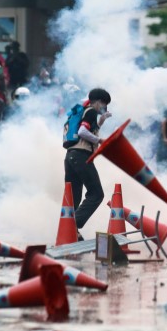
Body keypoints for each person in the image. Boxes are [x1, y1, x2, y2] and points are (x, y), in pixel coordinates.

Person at [64, 88, 112, 238]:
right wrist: (100, 140)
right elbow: (82, 132)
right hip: (81, 156)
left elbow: (87, 130)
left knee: (74, 197)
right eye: (104, 104)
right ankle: (71, 225)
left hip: (70, 156)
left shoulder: (84, 111)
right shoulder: (91, 111)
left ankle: (71, 234)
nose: (104, 107)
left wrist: (101, 122)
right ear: (98, 101)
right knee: (96, 194)